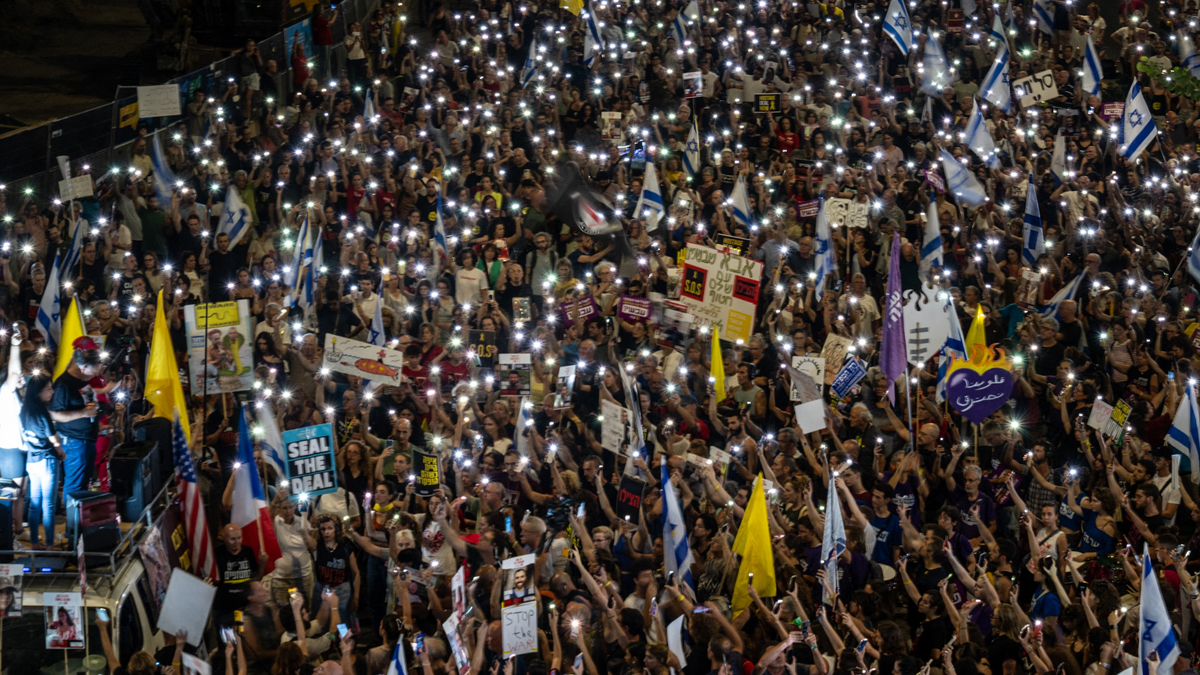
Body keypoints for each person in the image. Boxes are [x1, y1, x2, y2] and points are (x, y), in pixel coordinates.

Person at [48, 338, 101, 496]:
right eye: (94, 371)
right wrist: (84, 413)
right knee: (75, 484)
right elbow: (54, 413)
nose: (96, 374)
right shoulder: (63, 385)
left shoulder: (83, 380)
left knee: (84, 483)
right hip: (74, 442)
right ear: (84, 367)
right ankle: (73, 519)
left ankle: (81, 518)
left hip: (87, 439)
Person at [21, 373, 62, 550]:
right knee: (49, 505)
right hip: (46, 461)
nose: (51, 392)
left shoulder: (24, 410)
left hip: (31, 461)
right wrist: (60, 449)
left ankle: (35, 544)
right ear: (38, 392)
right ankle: (51, 544)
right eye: (48, 389)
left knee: (34, 504)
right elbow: (53, 438)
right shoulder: (41, 411)